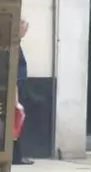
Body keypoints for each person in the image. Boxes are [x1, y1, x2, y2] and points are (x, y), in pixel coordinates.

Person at [13, 19, 30, 166]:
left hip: (20, 86)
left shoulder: (17, 45)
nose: (26, 31)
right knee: (16, 121)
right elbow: (15, 71)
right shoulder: (14, 46)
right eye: (24, 28)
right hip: (17, 87)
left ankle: (18, 155)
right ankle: (16, 156)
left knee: (18, 122)